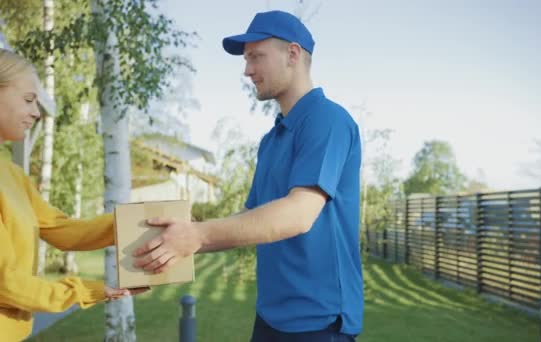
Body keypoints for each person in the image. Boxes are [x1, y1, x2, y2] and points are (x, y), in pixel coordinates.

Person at [133, 10, 363, 341]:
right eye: (246, 59)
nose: (247, 69)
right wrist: (181, 241)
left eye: (256, 56)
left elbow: (298, 214)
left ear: (292, 54)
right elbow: (251, 216)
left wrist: (199, 234)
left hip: (318, 322)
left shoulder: (327, 120)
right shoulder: (273, 140)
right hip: (271, 316)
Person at [0, 49, 145, 341]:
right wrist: (82, 291)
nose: (36, 113)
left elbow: (60, 229)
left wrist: (139, 223)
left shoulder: (11, 174)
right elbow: (5, 282)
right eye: (28, 100)